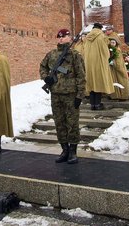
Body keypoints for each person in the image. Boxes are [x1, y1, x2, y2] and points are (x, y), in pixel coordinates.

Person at [40, 28, 86, 164]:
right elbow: (43, 66)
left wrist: (80, 95)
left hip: (71, 94)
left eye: (64, 36)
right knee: (59, 123)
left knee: (72, 123)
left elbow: (81, 76)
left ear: (69, 38)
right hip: (56, 94)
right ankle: (64, 149)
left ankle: (73, 151)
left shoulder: (74, 55)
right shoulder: (52, 54)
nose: (61, 39)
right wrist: (46, 78)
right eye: (59, 37)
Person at [84, 23, 114, 110]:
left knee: (91, 84)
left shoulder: (87, 37)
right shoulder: (102, 36)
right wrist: (108, 57)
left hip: (89, 64)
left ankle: (92, 104)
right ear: (100, 28)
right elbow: (105, 52)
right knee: (98, 83)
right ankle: (97, 104)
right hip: (99, 63)